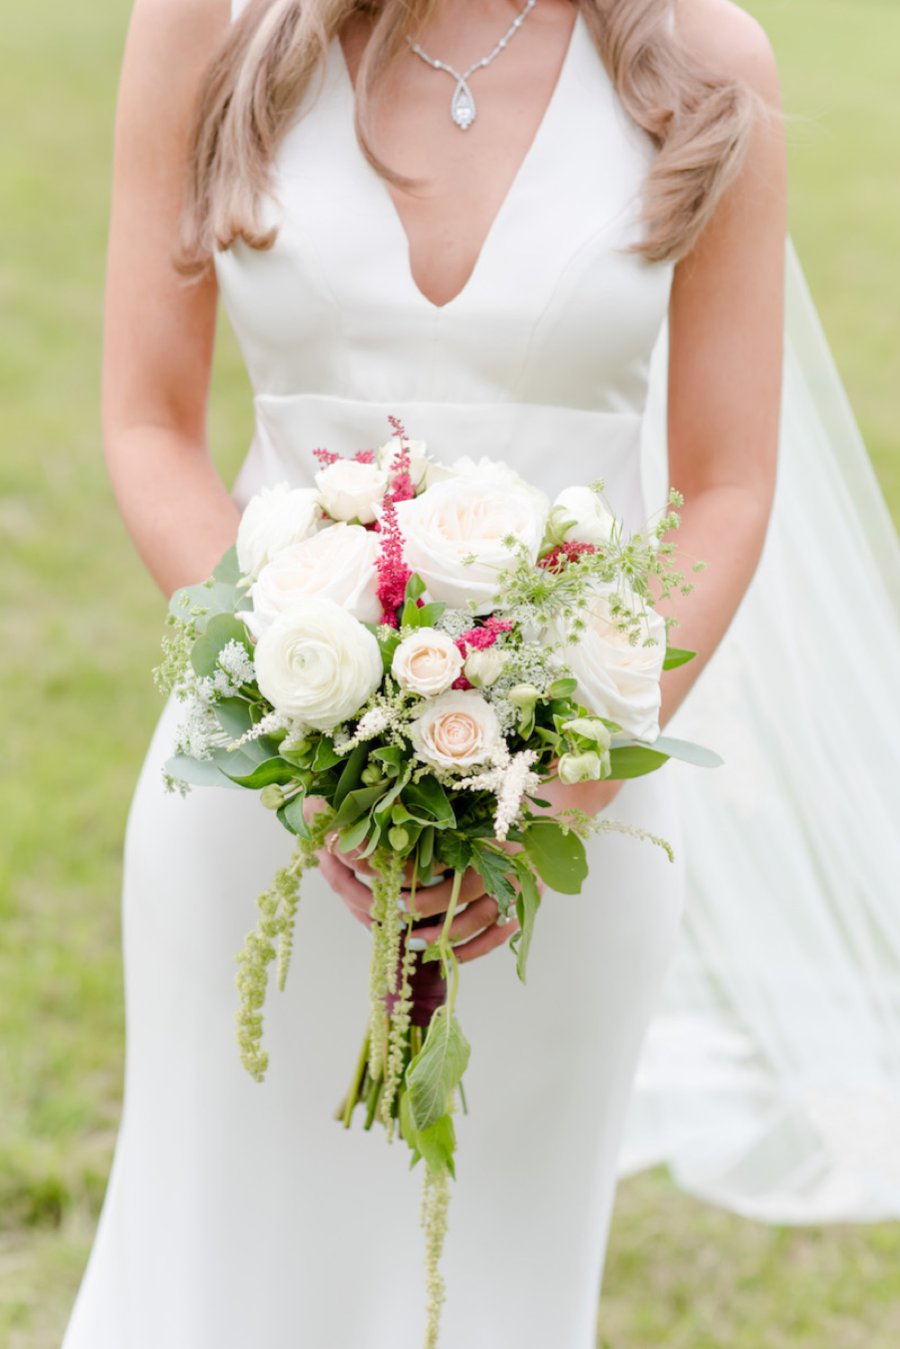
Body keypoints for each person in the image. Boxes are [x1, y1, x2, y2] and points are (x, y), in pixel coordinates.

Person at [62, 0, 900, 1345]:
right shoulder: (205, 24)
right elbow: (148, 424)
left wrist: (564, 782)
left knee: (489, 1292)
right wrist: (306, 737)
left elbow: (730, 482)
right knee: (213, 1267)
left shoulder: (705, 61)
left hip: (573, 813)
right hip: (252, 791)